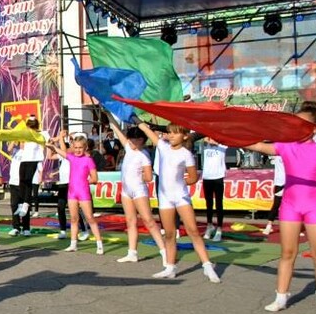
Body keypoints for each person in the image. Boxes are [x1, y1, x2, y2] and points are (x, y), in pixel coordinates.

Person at [243, 105, 316, 314]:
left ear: (314, 128)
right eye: (294, 124)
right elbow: (258, 146)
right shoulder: (286, 146)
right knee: (287, 252)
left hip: (315, 207)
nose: (296, 128)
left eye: (301, 124)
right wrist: (229, 136)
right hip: (291, 207)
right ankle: (281, 297)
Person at [137, 121, 221, 282]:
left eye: (175, 133)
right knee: (169, 234)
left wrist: (183, 183)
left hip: (181, 197)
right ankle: (170, 267)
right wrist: (134, 117)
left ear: (184, 136)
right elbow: (145, 130)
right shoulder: (162, 146)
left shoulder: (186, 154)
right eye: (169, 132)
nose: (171, 135)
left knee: (193, 231)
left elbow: (193, 177)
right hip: (165, 199)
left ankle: (207, 266)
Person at [107, 117, 166, 264]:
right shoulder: (127, 147)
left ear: (142, 140)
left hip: (139, 190)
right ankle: (132, 252)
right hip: (126, 190)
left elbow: (148, 177)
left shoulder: (144, 155)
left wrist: (141, 175)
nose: (131, 141)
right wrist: (108, 114)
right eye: (130, 139)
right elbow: (116, 129)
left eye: (135, 139)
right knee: (130, 221)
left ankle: (164, 251)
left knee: (148, 221)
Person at [46, 133, 105, 255]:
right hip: (72, 193)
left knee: (90, 218)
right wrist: (50, 144)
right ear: (73, 147)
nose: (78, 150)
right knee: (73, 218)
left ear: (85, 148)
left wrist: (84, 181)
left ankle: (99, 243)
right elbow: (58, 151)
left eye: (80, 148)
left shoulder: (88, 160)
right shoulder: (71, 158)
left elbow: (95, 178)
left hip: (83, 193)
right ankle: (73, 244)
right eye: (76, 147)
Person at [199, 137, 228, 242]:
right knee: (209, 204)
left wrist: (215, 141)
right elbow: (203, 138)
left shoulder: (222, 145)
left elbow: (223, 141)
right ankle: (209, 225)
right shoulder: (205, 144)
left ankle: (219, 228)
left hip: (218, 177)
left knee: (219, 204)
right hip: (207, 177)